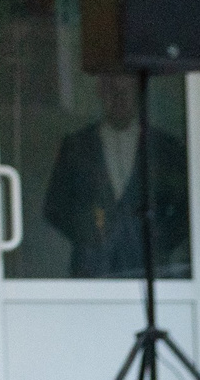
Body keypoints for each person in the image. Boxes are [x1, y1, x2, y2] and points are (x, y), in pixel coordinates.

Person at [40, 74, 189, 278]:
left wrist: (159, 241)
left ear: (138, 95)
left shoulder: (164, 148)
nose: (119, 98)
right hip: (91, 271)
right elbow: (55, 207)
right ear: (100, 93)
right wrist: (87, 234)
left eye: (125, 92)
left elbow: (187, 208)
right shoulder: (76, 146)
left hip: (149, 271)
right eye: (112, 92)